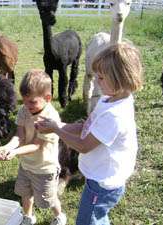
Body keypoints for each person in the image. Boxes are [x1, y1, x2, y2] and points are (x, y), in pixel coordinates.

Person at [35, 43, 143, 225]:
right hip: (98, 177)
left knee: (88, 221)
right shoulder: (109, 98)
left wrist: (57, 130)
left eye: (101, 77)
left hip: (103, 183)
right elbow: (87, 126)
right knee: (96, 218)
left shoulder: (115, 115)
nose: (96, 80)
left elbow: (84, 146)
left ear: (120, 79)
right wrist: (59, 124)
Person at [0, 69, 67, 225]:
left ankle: (59, 216)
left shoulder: (50, 118)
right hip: (26, 166)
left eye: (32, 102)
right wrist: (7, 147)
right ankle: (28, 217)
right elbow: (19, 136)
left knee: (48, 199)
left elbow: (36, 145)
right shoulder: (24, 110)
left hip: (45, 169)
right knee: (25, 194)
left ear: (47, 98)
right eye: (24, 101)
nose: (27, 105)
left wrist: (14, 152)